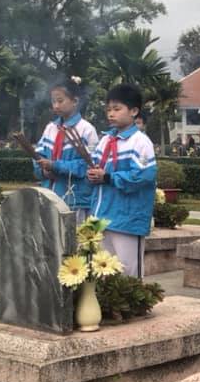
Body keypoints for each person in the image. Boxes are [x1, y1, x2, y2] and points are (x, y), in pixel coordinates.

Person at [87, 84, 157, 278]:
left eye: (117, 109)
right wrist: (92, 175)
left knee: (128, 273)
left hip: (128, 219)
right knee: (103, 272)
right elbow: (96, 168)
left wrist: (107, 177)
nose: (111, 114)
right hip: (102, 217)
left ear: (134, 111)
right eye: (108, 109)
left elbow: (143, 176)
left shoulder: (140, 141)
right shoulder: (105, 140)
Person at [33, 77, 99, 222]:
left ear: (75, 101)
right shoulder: (50, 128)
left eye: (60, 101)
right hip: (49, 195)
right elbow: (38, 155)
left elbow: (89, 165)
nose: (56, 106)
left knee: (72, 235)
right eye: (53, 101)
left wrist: (55, 166)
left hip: (74, 199)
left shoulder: (86, 130)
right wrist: (42, 170)